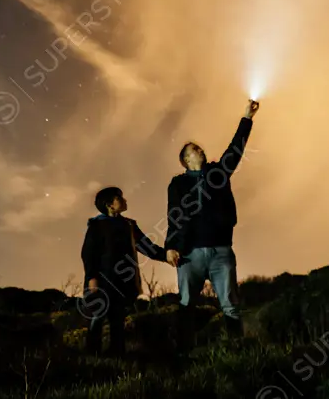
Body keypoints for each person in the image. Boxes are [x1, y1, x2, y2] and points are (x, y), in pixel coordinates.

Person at [165, 99, 259, 350]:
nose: (201, 150)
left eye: (199, 148)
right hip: (189, 253)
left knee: (229, 302)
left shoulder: (218, 172)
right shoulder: (177, 184)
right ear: (185, 159)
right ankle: (185, 355)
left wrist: (246, 118)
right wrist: (171, 246)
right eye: (195, 149)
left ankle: (238, 352)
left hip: (220, 249)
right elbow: (173, 215)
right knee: (187, 303)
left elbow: (235, 150)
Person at [80, 186, 168, 356]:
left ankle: (117, 353)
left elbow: (145, 245)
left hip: (123, 281)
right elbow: (88, 253)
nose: (124, 200)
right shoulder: (97, 225)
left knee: (117, 318)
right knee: (98, 316)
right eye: (119, 198)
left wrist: (165, 256)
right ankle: (92, 355)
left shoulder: (129, 225)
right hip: (102, 280)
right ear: (109, 205)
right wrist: (92, 277)